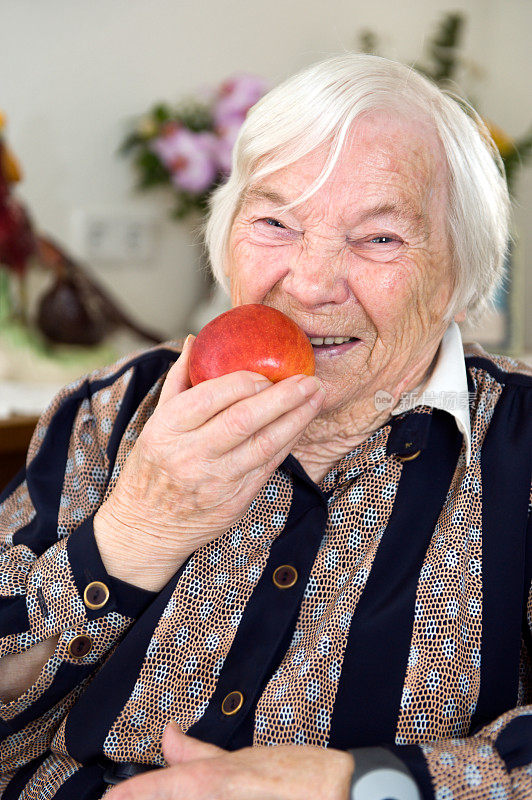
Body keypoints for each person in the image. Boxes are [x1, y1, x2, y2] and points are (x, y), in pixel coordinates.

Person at [0, 53, 531, 800]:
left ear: (461, 272)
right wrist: (133, 535)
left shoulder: (521, 443)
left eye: (379, 238)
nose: (309, 284)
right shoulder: (110, 411)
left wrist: (361, 784)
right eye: (276, 222)